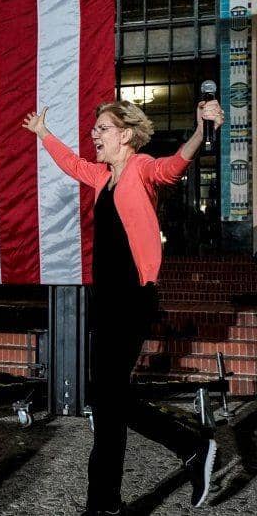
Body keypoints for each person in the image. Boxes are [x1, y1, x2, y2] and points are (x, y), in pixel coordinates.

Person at [23, 98, 225, 514]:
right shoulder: (103, 177)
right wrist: (44, 135)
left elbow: (172, 167)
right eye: (95, 128)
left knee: (109, 398)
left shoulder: (140, 168)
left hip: (133, 297)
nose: (94, 134)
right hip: (106, 299)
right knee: (108, 400)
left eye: (102, 128)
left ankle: (178, 454)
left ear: (126, 134)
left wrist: (202, 132)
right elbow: (72, 164)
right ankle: (123, 492)